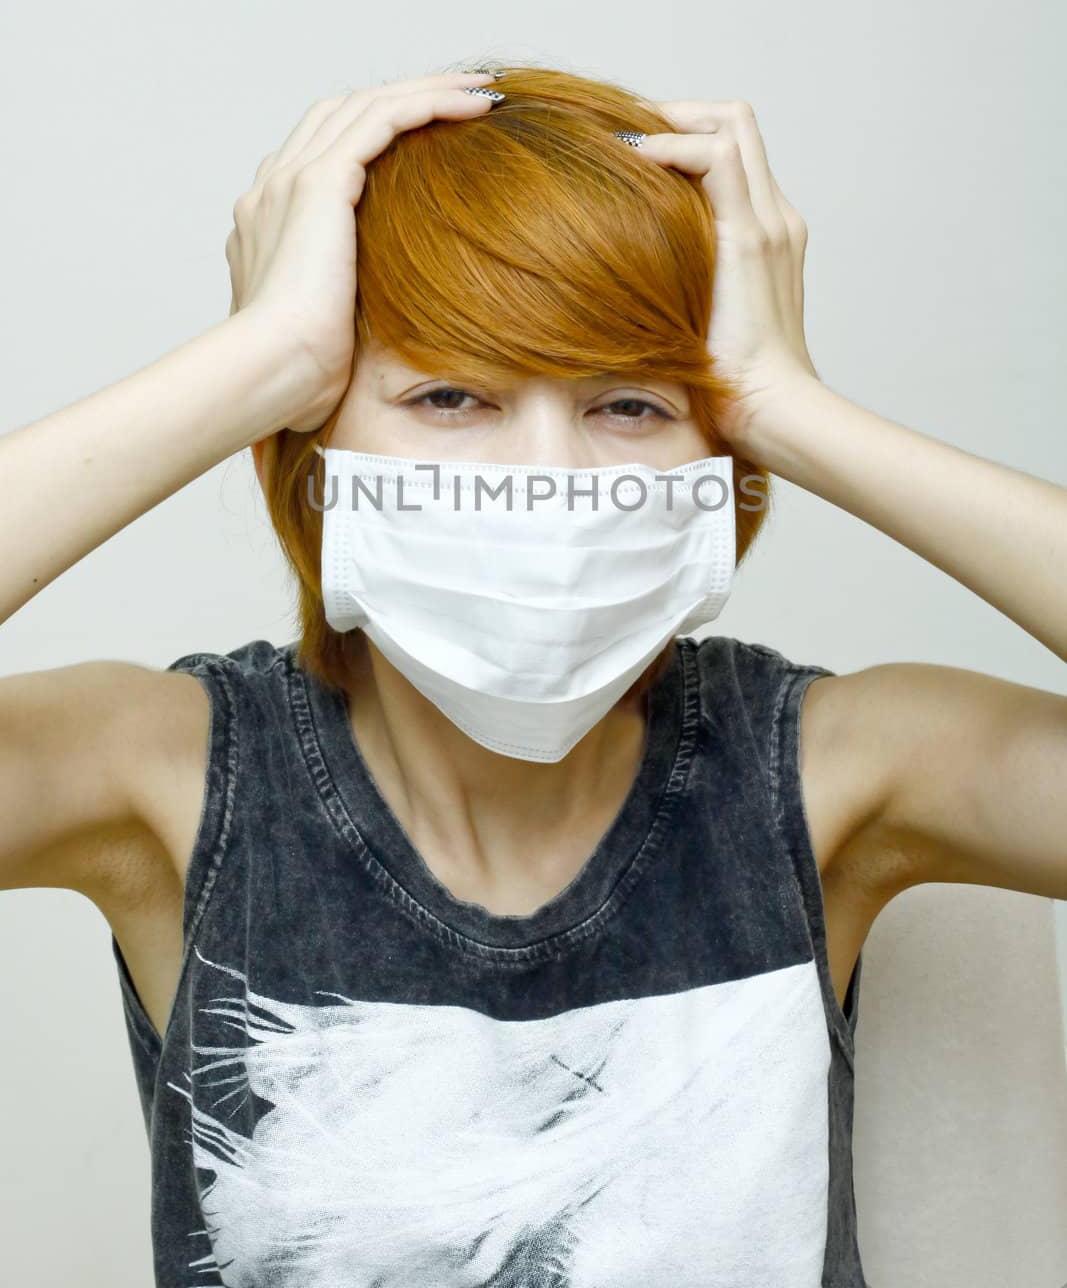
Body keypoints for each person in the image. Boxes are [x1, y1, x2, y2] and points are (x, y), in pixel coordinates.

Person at [2, 63, 1064, 1287]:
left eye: (628, 404)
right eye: (449, 394)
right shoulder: (163, 776)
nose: (546, 479)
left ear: (717, 467)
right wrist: (252, 367)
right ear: (313, 454)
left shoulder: (838, 772)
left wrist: (792, 408)